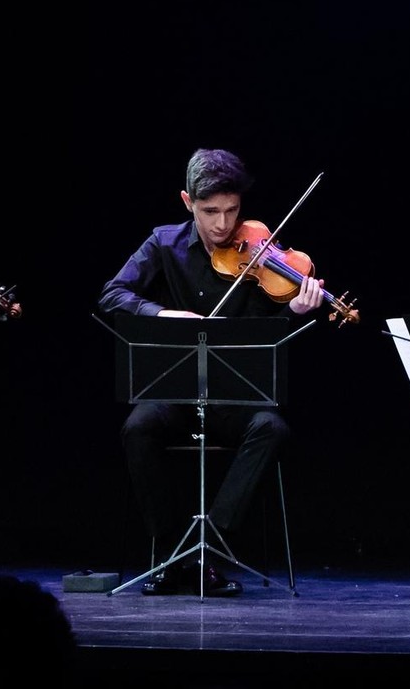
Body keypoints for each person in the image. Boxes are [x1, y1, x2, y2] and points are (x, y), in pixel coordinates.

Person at [98, 148, 326, 598]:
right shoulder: (163, 243)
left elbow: (272, 333)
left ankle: (208, 553)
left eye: (232, 210)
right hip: (178, 389)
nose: (223, 224)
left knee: (271, 428)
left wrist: (298, 311)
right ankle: (170, 553)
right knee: (138, 427)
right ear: (187, 202)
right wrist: (162, 314)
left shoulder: (260, 250)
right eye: (210, 212)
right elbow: (112, 294)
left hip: (234, 394)